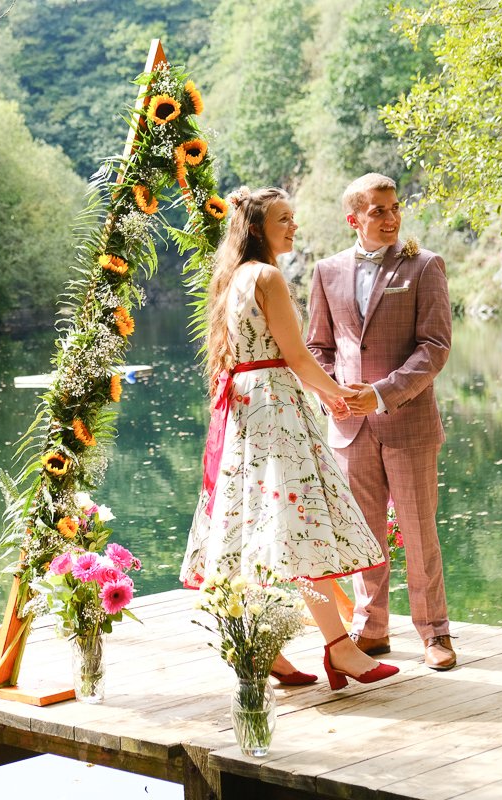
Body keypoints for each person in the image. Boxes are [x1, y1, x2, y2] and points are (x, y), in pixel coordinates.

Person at [181, 186, 398, 691]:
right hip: (276, 405)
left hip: (246, 406)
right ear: (256, 228)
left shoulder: (231, 279)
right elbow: (298, 358)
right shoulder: (268, 277)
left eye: (293, 218)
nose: (293, 227)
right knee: (302, 524)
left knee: (259, 525)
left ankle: (267, 649)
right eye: (283, 219)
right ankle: (340, 650)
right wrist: (337, 395)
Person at [306, 173, 456, 670]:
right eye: (378, 211)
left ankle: (434, 633)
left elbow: (434, 347)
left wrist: (381, 394)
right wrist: (332, 395)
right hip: (349, 426)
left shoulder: (424, 266)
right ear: (354, 219)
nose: (391, 218)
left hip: (408, 420)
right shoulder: (326, 271)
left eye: (395, 209)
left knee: (418, 531)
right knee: (362, 535)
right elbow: (317, 347)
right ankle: (372, 629)